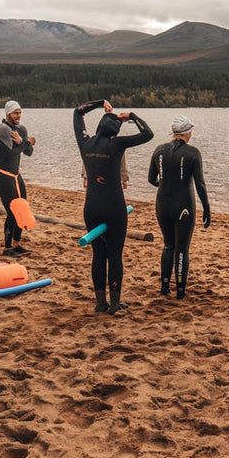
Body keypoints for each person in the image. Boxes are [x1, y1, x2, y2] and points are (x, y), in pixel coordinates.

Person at [74, 99, 153, 314]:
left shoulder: (86, 142)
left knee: (98, 254)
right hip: (114, 208)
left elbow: (78, 113)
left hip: (91, 207)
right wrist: (133, 116)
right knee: (115, 255)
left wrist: (100, 104)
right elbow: (148, 134)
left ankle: (100, 302)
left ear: (99, 127)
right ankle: (115, 303)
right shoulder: (116, 144)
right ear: (114, 132)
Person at [148, 116, 210, 299]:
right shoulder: (193, 153)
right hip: (184, 205)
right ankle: (181, 291)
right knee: (181, 248)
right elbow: (200, 184)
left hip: (162, 204)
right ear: (187, 133)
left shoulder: (159, 150)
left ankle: (165, 287)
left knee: (168, 245)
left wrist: (166, 182)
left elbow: (151, 179)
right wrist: (206, 208)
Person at [0, 100, 36, 258]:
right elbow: (9, 153)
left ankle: (16, 244)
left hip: (16, 175)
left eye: (19, 112)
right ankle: (7, 248)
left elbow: (28, 152)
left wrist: (23, 143)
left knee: (23, 209)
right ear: (8, 113)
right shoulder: (3, 130)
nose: (18, 116)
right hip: (4, 176)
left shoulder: (21, 129)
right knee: (12, 212)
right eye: (15, 113)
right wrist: (25, 142)